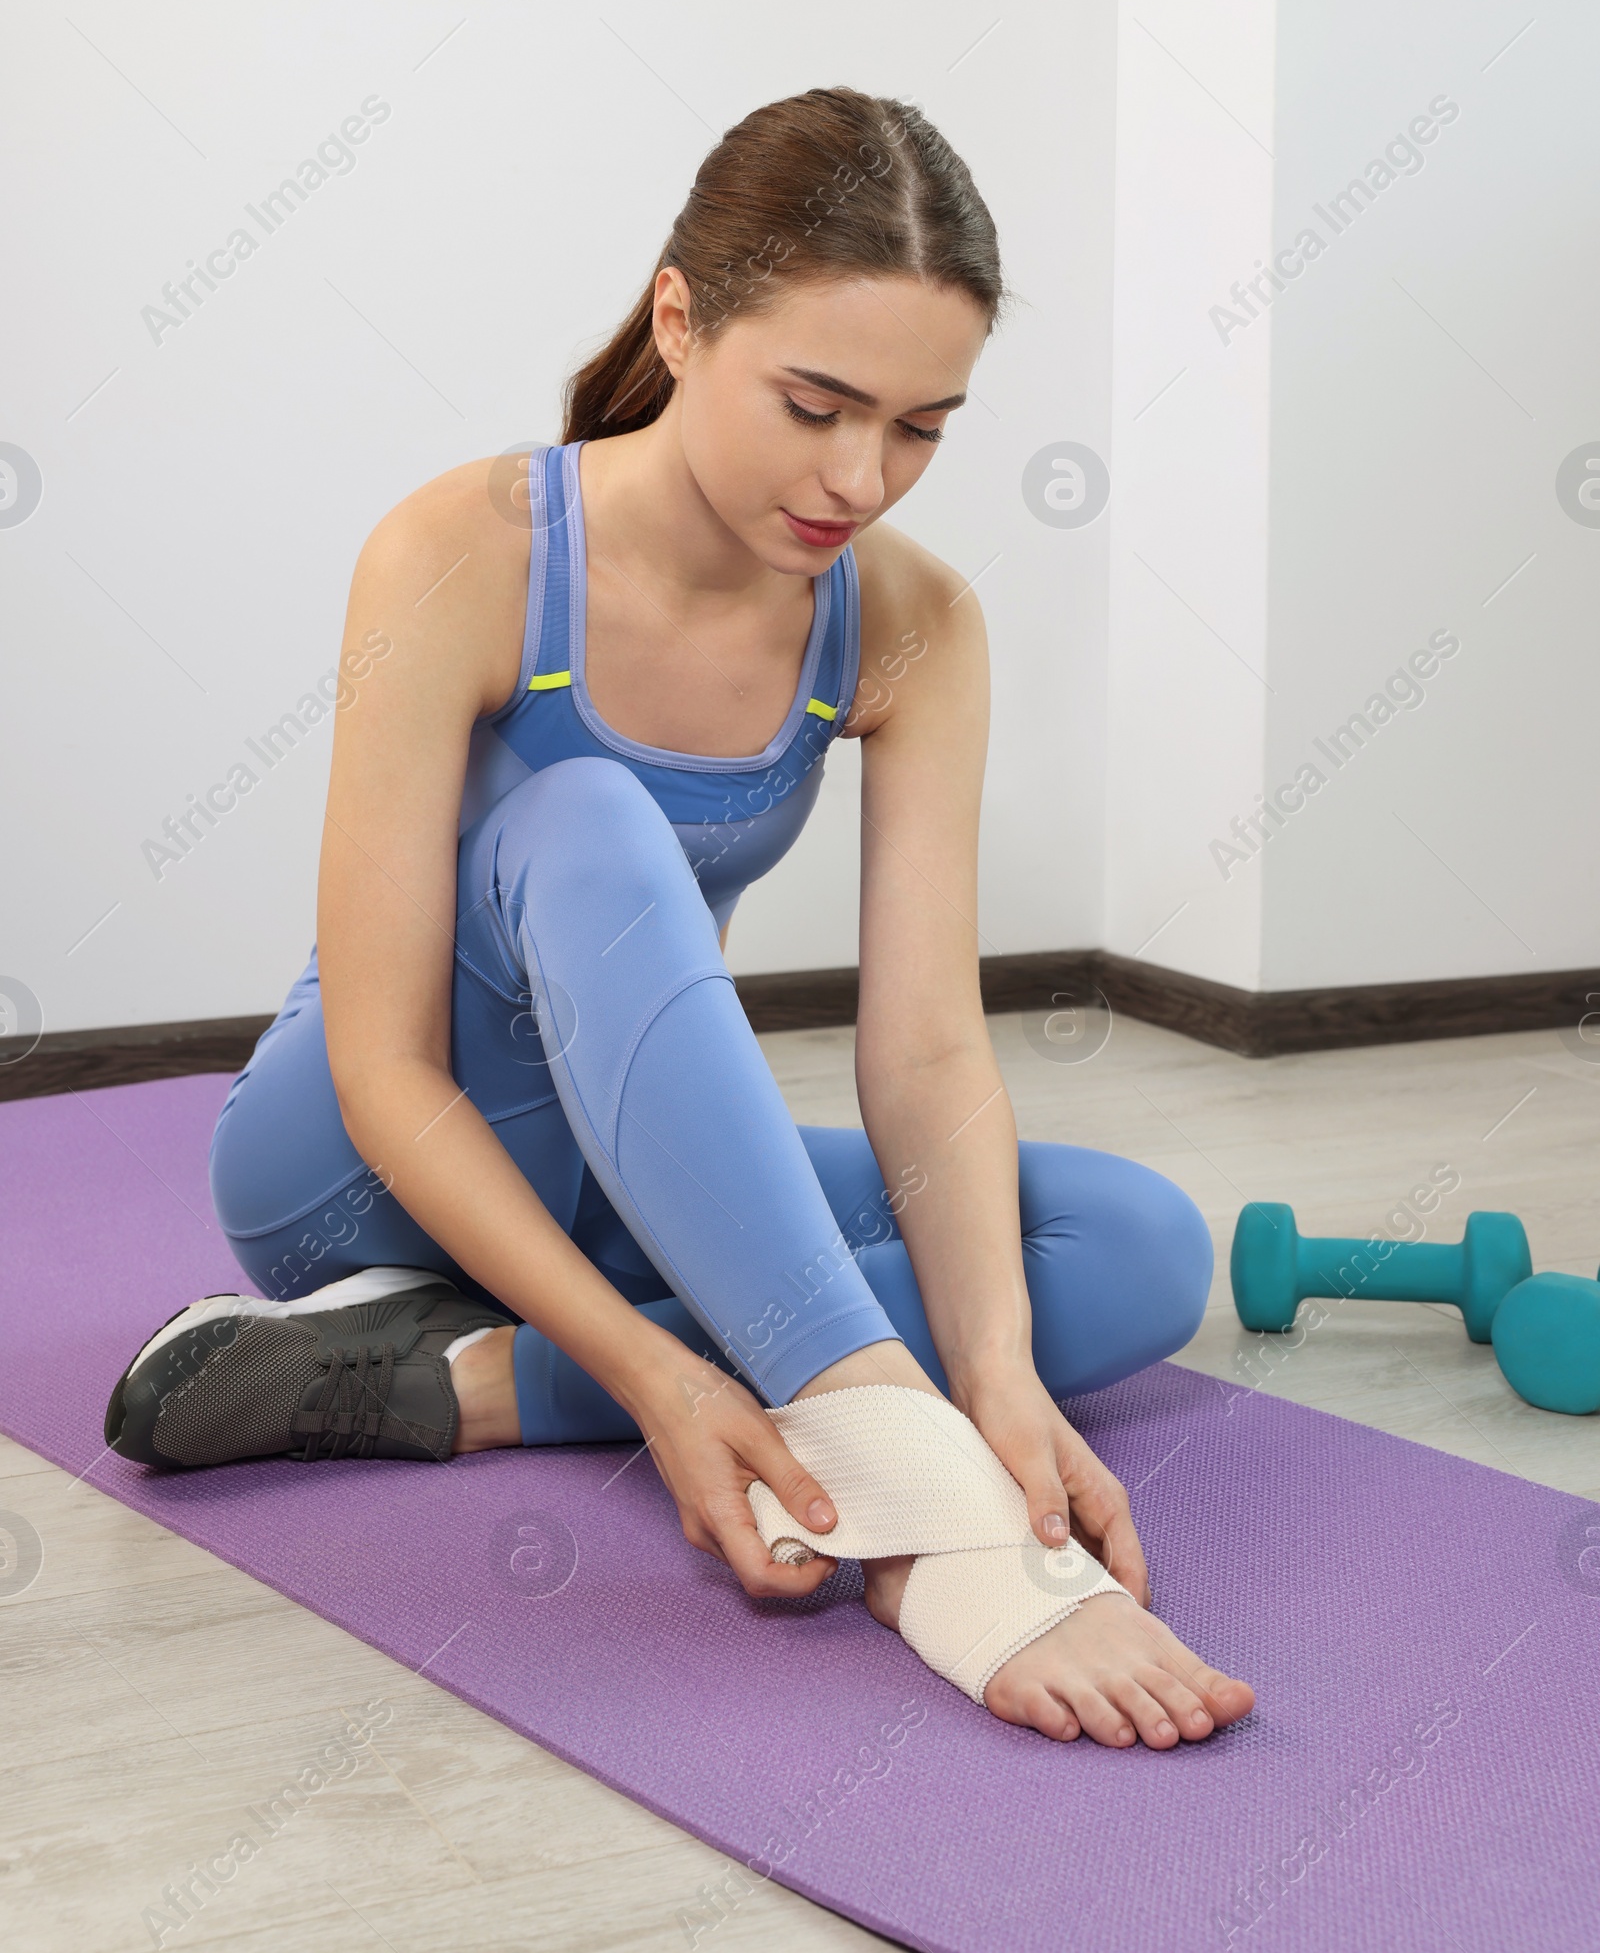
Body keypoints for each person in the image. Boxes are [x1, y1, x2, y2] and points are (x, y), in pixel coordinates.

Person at [105, 87, 1253, 1750]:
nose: (864, 478)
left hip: (610, 1169)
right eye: (816, 403)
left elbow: (927, 1052)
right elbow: (382, 1066)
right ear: (679, 318)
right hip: (363, 1165)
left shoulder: (915, 624)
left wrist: (1000, 1383)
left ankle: (469, 1384)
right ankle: (889, 1465)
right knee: (584, 812)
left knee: (1125, 1246)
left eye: (923, 426)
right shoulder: (466, 551)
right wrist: (668, 1381)